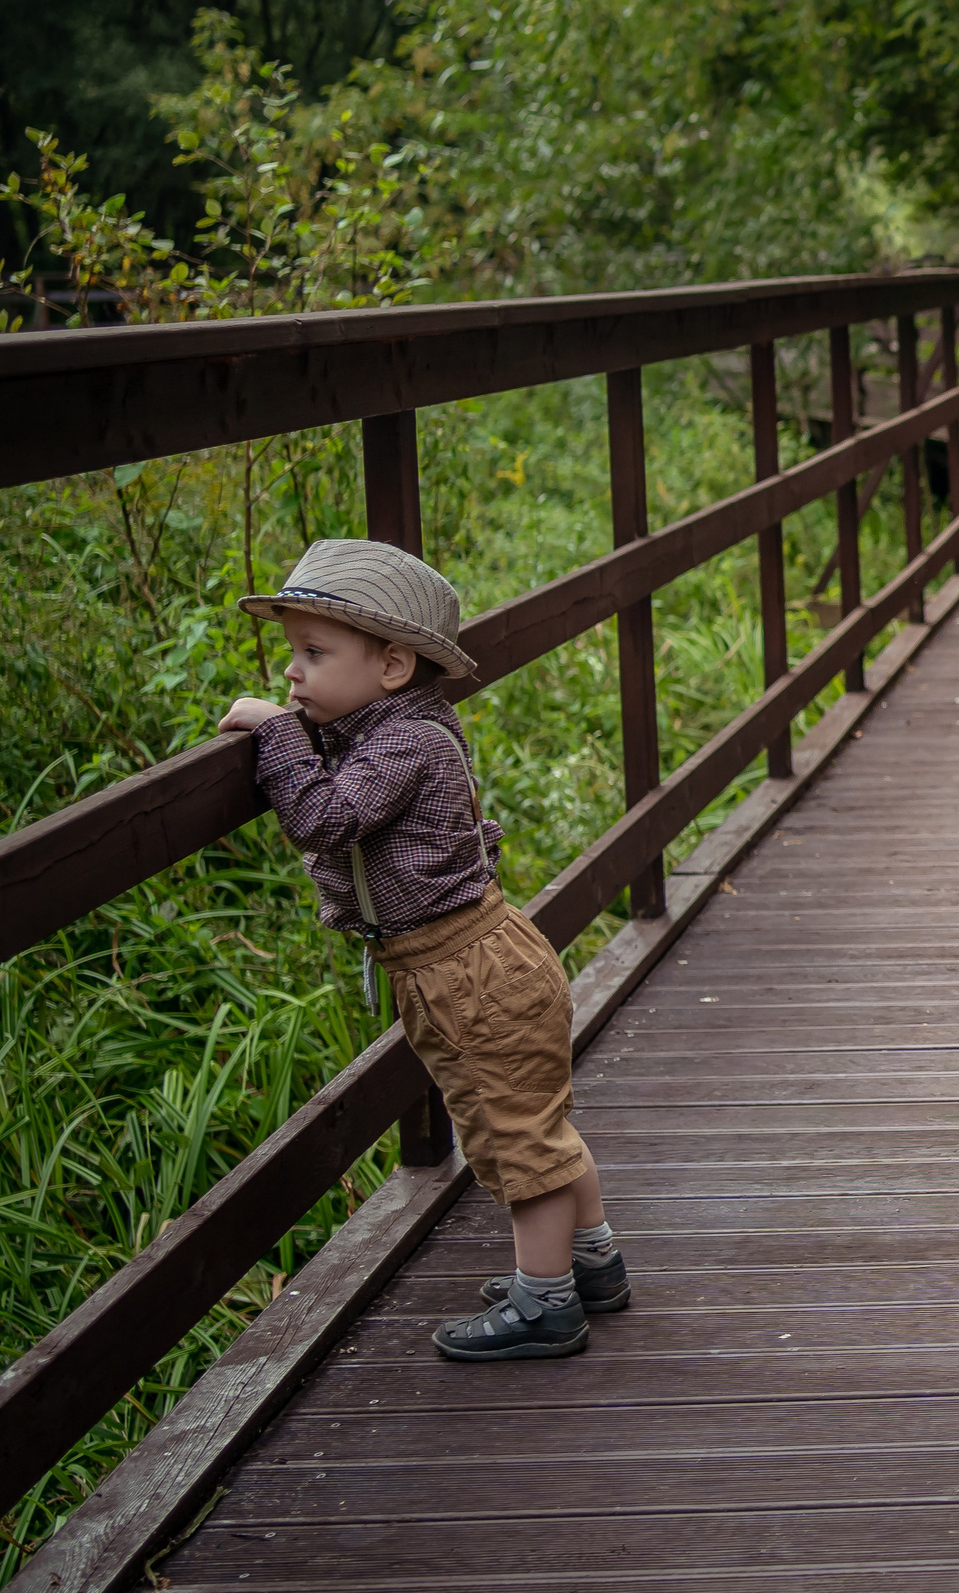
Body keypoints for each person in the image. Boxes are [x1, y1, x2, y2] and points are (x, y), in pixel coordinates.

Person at [218, 539, 628, 1359]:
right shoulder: (391, 726)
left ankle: (547, 1304)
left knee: (519, 1136)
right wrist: (302, 725)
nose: (291, 674)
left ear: (395, 665)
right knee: (534, 1120)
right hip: (468, 962)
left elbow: (324, 819)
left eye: (312, 653)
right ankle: (592, 1263)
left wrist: (277, 736)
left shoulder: (405, 744)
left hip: (469, 970)